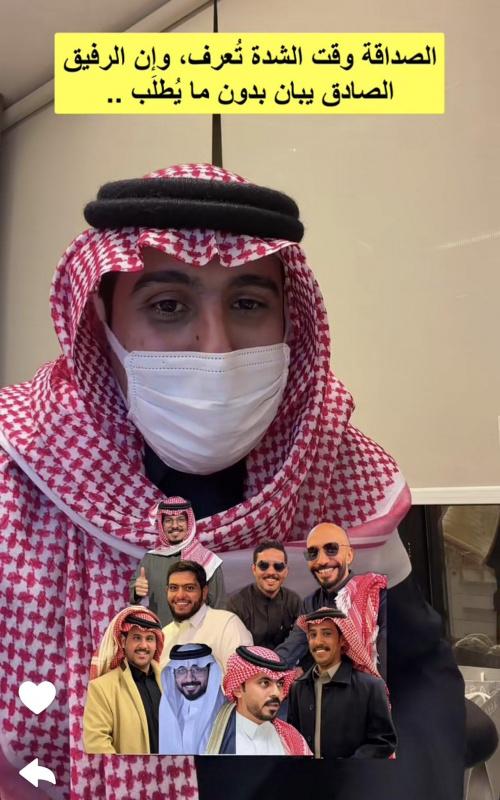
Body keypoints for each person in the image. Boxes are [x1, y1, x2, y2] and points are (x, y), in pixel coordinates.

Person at [0, 163, 476, 800]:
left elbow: (413, 673)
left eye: (248, 304)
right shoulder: (21, 470)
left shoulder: (338, 470)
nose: (216, 348)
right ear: (103, 325)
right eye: (168, 307)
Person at [276, 523, 387, 677]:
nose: (321, 560)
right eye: (313, 553)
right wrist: (260, 668)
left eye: (331, 549)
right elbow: (290, 650)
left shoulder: (376, 593)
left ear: (349, 555)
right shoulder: (311, 604)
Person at [287, 608, 396, 759]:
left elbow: (383, 742)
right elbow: (293, 739)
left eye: (327, 633)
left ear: (342, 640)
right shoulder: (297, 688)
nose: (318, 642)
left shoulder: (371, 687)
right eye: (313, 635)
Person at [129, 496, 225, 625]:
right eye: (168, 520)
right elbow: (133, 595)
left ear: (189, 523)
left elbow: (219, 607)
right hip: (160, 634)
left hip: (196, 635)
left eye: (181, 520)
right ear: (161, 525)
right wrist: (137, 591)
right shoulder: (151, 558)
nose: (175, 526)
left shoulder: (207, 561)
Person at [83, 606, 164, 754]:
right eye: (136, 638)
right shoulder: (102, 688)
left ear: (156, 644)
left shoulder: (170, 684)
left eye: (149, 639)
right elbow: (96, 743)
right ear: (122, 641)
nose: (143, 645)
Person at [205, 646, 311, 756]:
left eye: (280, 684)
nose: (276, 693)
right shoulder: (209, 737)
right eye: (265, 683)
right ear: (238, 689)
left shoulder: (293, 739)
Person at [161, 560, 253, 670]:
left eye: (189, 588)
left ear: (204, 592)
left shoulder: (227, 625)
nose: (180, 595)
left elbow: (245, 675)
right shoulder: (164, 635)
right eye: (173, 588)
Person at [226, 540, 301, 649]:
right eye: (263, 565)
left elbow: (300, 642)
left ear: (286, 571)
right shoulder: (236, 604)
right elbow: (231, 648)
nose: (271, 572)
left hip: (286, 658)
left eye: (278, 566)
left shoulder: (294, 601)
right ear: (254, 569)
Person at [159, 643, 225, 755]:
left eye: (197, 669)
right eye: (181, 670)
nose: (189, 679)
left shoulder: (227, 714)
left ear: (210, 672)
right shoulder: (167, 710)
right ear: (173, 674)